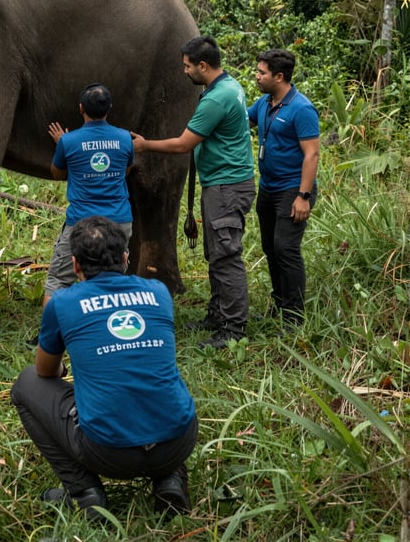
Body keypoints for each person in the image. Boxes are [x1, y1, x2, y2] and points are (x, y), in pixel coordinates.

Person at [11, 216, 197, 521]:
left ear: (75, 265)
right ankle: (170, 479)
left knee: (26, 383)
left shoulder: (63, 302)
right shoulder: (159, 293)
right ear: (125, 258)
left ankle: (84, 493)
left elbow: (45, 371)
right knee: (156, 378)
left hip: (109, 453)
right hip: (178, 441)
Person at [131, 35, 255, 349]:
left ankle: (233, 328)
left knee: (226, 256)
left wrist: (145, 145)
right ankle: (218, 313)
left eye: (188, 66)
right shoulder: (229, 87)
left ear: (203, 65)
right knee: (216, 254)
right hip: (223, 183)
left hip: (227, 186)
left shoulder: (215, 98)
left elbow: (184, 144)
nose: (184, 71)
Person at [43, 83, 133, 307]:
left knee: (58, 280)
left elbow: (56, 173)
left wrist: (63, 146)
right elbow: (126, 171)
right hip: (119, 221)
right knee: (113, 280)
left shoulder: (68, 141)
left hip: (82, 224)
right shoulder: (124, 138)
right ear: (109, 108)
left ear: (80, 108)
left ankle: (49, 337)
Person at [247, 49, 320, 327]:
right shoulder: (265, 103)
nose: (257, 76)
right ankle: (279, 304)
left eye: (262, 72)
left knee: (285, 248)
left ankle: (294, 316)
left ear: (279, 76)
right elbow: (243, 120)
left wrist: (303, 196)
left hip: (293, 188)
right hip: (268, 187)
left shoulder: (301, 109)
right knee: (269, 246)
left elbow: (311, 155)